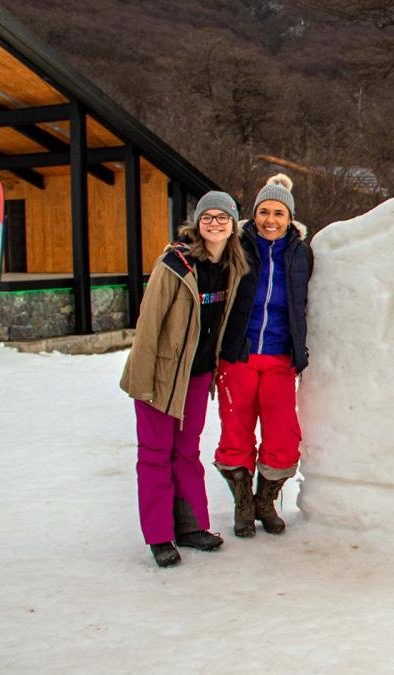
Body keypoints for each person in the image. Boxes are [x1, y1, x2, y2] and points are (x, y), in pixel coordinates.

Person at [120, 191, 247, 568]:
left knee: (187, 453)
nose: (214, 224)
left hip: (198, 374)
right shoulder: (175, 263)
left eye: (222, 218)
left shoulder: (232, 266)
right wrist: (142, 380)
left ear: (232, 225)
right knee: (155, 455)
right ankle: (159, 536)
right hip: (160, 374)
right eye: (207, 217)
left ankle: (191, 527)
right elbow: (148, 324)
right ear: (197, 222)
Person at [215, 174, 313, 538]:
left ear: (291, 219)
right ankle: (243, 505)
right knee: (236, 432)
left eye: (279, 213)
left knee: (283, 436)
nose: (271, 220)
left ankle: (265, 501)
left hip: (280, 358)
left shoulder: (301, 253)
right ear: (254, 214)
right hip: (238, 355)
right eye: (264, 211)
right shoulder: (236, 246)